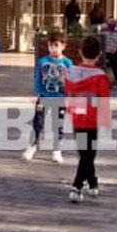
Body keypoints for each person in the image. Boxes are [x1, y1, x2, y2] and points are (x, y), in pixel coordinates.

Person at [63, 35, 111, 203]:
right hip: (92, 120)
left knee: (85, 153)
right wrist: (105, 120)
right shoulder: (100, 77)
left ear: (80, 52)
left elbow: (66, 93)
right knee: (88, 155)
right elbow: (103, 100)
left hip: (77, 117)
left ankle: (92, 182)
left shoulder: (71, 72)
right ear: (99, 55)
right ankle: (76, 186)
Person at [23, 30, 72, 164]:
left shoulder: (67, 63)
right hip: (44, 97)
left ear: (63, 46)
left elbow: (71, 81)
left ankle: (56, 150)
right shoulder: (42, 61)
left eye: (56, 45)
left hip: (59, 97)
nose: (53, 48)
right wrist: (38, 92)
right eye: (50, 45)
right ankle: (32, 146)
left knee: (58, 124)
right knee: (37, 122)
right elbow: (38, 78)